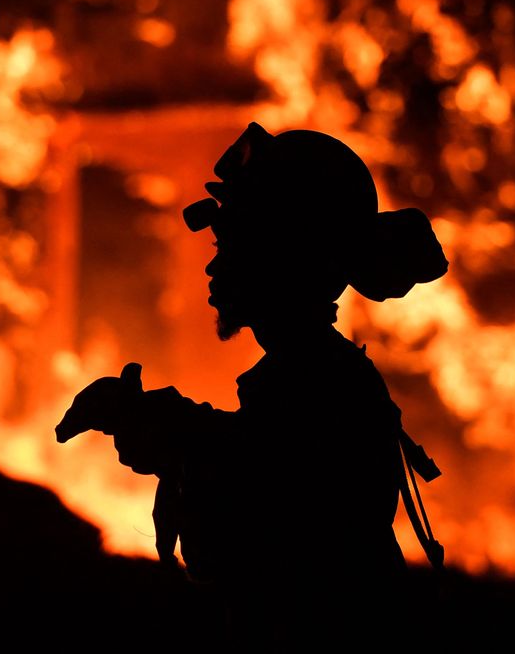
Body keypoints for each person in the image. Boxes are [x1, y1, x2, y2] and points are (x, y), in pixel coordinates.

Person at [56, 123, 448, 649]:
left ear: (287, 257)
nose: (215, 266)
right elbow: (259, 455)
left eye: (235, 245)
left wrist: (175, 435)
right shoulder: (315, 377)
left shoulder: (318, 387)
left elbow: (270, 520)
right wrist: (164, 423)